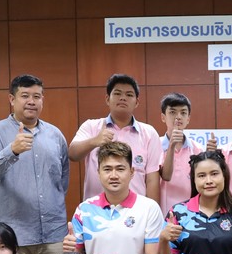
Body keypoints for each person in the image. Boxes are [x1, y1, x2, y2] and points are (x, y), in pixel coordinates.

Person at [0, 74, 70, 254]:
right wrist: (12, 151)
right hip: (13, 236)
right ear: (12, 99)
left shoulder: (55, 135)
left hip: (53, 235)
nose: (31, 101)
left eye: (37, 96)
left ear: (42, 100)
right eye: (25, 96)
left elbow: (62, 181)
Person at [63, 141, 164, 254]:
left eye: (120, 169)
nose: (114, 175)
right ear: (98, 172)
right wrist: (71, 249)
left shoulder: (149, 208)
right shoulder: (85, 209)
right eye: (107, 169)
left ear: (131, 172)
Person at [68, 73, 162, 203]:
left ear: (137, 102)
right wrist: (94, 141)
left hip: (136, 210)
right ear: (107, 99)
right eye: (117, 93)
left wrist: (152, 210)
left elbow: (152, 179)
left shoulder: (149, 133)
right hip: (96, 209)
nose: (123, 98)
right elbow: (72, 154)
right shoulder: (91, 126)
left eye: (129, 95)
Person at [158, 92, 206, 216]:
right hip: (162, 213)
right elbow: (165, 176)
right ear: (163, 117)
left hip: (191, 215)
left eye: (183, 113)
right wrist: (171, 146)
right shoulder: (154, 145)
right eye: (172, 112)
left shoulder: (197, 149)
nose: (178, 117)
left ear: (188, 119)